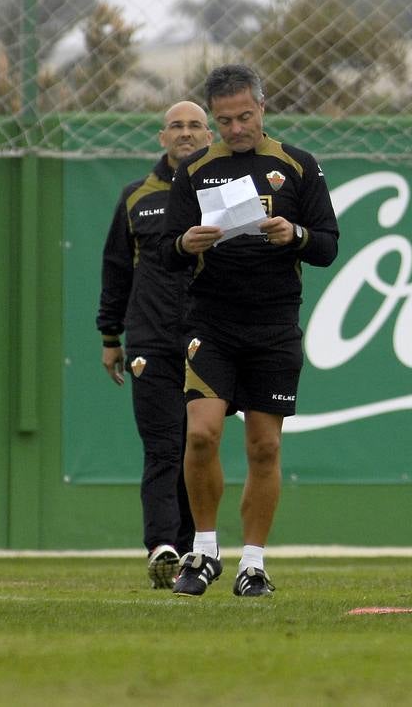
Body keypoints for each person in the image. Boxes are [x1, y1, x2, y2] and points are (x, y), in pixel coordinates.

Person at [160, 63, 340, 598]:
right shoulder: (194, 171)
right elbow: (166, 251)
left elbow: (328, 245)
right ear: (213, 120)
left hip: (274, 325)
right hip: (210, 323)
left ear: (262, 109)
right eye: (225, 120)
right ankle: (205, 549)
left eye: (245, 117)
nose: (236, 129)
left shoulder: (299, 167)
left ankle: (253, 563)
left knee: (263, 447)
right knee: (200, 433)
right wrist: (185, 243)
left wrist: (296, 234)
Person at [97, 100, 212, 588]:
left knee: (197, 446)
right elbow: (117, 270)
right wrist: (110, 336)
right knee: (162, 448)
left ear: (209, 135)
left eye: (194, 125)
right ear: (161, 137)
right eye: (176, 126)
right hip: (150, 337)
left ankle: (191, 548)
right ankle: (162, 546)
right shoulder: (135, 197)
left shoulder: (223, 191)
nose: (185, 133)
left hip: (209, 339)